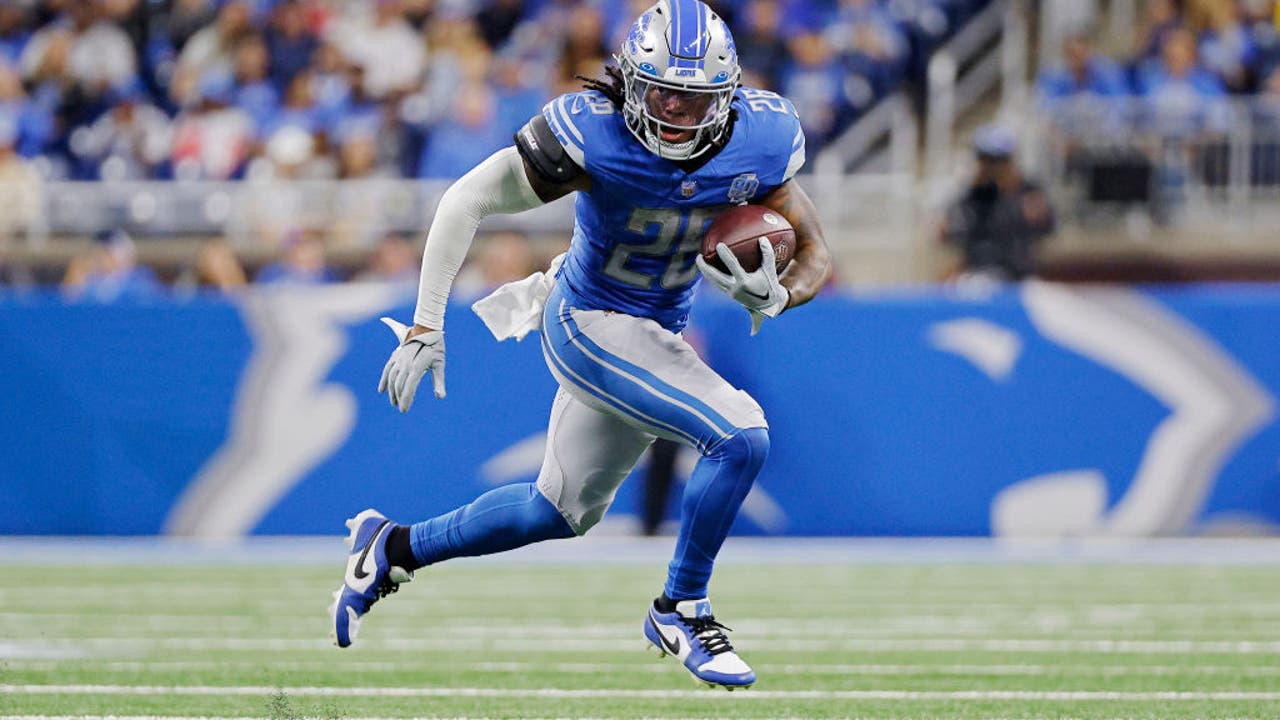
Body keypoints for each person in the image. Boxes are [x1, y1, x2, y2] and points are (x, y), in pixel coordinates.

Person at [329, 0, 832, 691]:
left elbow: (814, 252)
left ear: (727, 95)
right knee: (741, 434)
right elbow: (466, 199)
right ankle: (682, 606)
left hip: (653, 329)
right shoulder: (590, 134)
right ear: (631, 82)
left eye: (695, 102)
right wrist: (425, 321)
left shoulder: (763, 136)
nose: (677, 116)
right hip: (587, 319)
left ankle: (390, 548)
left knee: (556, 512)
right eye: (663, 96)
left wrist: (778, 294)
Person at [940, 125, 1055, 283]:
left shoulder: (1028, 192)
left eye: (997, 162)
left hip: (1017, 274)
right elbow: (955, 233)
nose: (992, 169)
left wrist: (1034, 214)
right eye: (985, 160)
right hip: (977, 271)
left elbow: (1046, 227)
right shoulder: (972, 195)